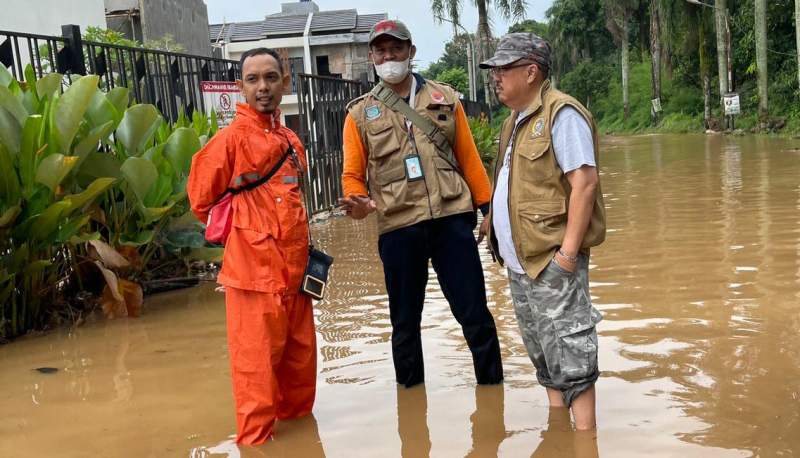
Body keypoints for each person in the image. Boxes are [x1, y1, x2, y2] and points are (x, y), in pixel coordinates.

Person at [339, 19, 503, 388]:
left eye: (396, 48)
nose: (389, 56)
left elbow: (469, 158)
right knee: (405, 324)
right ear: (372, 58)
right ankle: (412, 410)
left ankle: (493, 395)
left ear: (411, 52)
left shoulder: (445, 98)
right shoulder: (359, 114)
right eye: (381, 50)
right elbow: (352, 175)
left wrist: (488, 210)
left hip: (451, 221)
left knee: (475, 315)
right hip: (398, 227)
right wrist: (359, 202)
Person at [477, 33, 606, 430]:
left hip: (552, 262)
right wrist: (491, 221)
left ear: (531, 71)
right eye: (494, 70)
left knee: (574, 359)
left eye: (504, 69)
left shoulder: (561, 114)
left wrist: (566, 256)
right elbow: (514, 181)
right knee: (545, 357)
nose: (495, 77)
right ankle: (557, 436)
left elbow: (584, 183)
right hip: (521, 266)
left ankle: (585, 443)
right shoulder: (513, 121)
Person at [187, 47, 316, 445]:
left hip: (296, 275)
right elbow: (200, 200)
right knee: (255, 383)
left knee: (300, 378)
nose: (263, 87)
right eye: (253, 79)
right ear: (241, 87)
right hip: (254, 279)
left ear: (284, 82)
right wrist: (244, 228)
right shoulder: (228, 141)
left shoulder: (291, 139)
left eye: (271, 78)